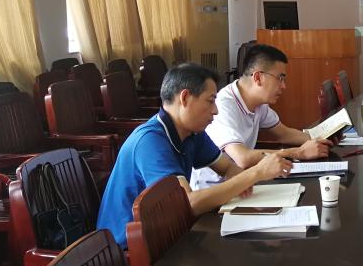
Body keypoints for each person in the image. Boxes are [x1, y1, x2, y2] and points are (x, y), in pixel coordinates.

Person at [97, 63, 290, 247]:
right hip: (129, 247)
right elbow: (187, 204)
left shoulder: (191, 132)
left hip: (167, 230)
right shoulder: (150, 141)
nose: (215, 111)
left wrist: (243, 181)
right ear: (185, 98)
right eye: (210, 101)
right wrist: (256, 173)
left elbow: (228, 168)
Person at [191, 44, 331, 188]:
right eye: (280, 78)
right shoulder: (224, 105)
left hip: (241, 183)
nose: (283, 86)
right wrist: (299, 152)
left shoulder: (258, 103)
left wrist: (324, 138)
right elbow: (243, 158)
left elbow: (284, 134)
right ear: (258, 77)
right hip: (214, 189)